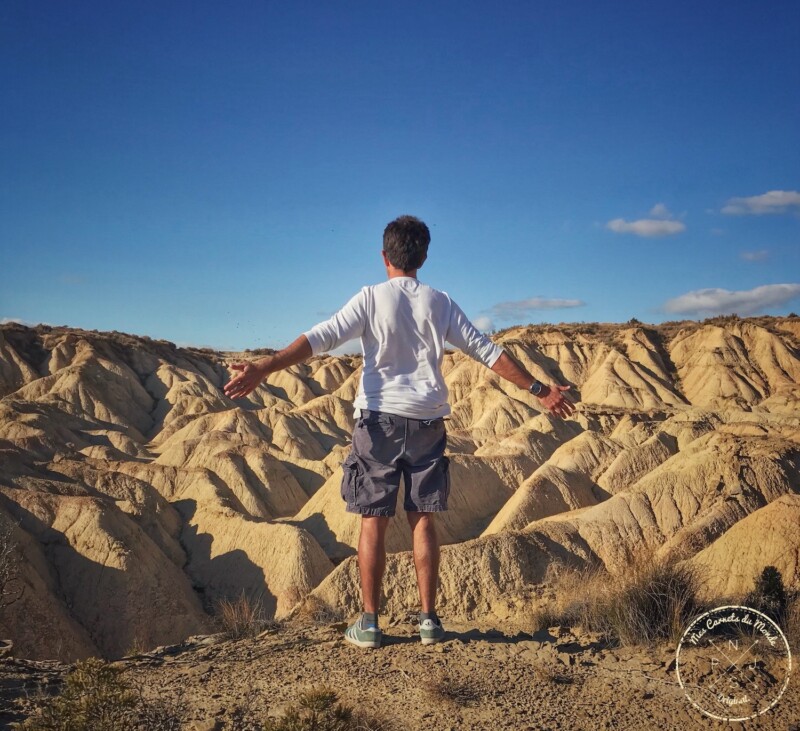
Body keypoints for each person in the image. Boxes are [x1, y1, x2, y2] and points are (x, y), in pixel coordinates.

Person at [223, 215, 575, 649]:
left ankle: (369, 624)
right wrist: (540, 390)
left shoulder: (370, 299)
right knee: (422, 518)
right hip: (428, 422)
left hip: (378, 422)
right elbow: (488, 353)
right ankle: (429, 621)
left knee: (373, 521)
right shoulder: (441, 302)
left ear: (384, 256)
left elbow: (320, 339)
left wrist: (263, 367)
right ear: (423, 257)